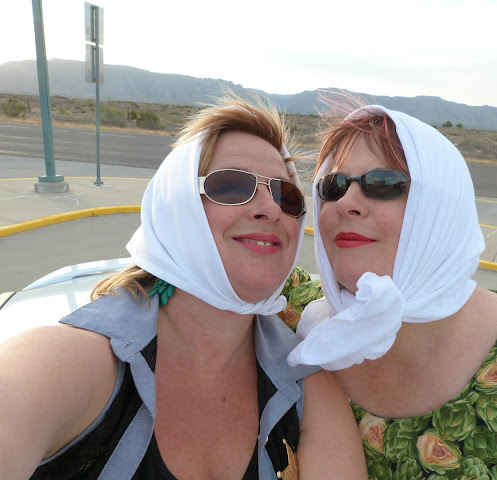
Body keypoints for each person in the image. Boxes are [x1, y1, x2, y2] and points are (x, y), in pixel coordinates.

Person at [0, 95, 367, 479]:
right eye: (230, 186)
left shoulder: (308, 387)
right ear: (175, 207)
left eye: (286, 196)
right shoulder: (71, 362)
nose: (271, 209)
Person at [286, 102, 497, 479]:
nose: (345, 203)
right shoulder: (296, 315)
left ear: (441, 208)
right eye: (333, 186)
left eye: (384, 184)